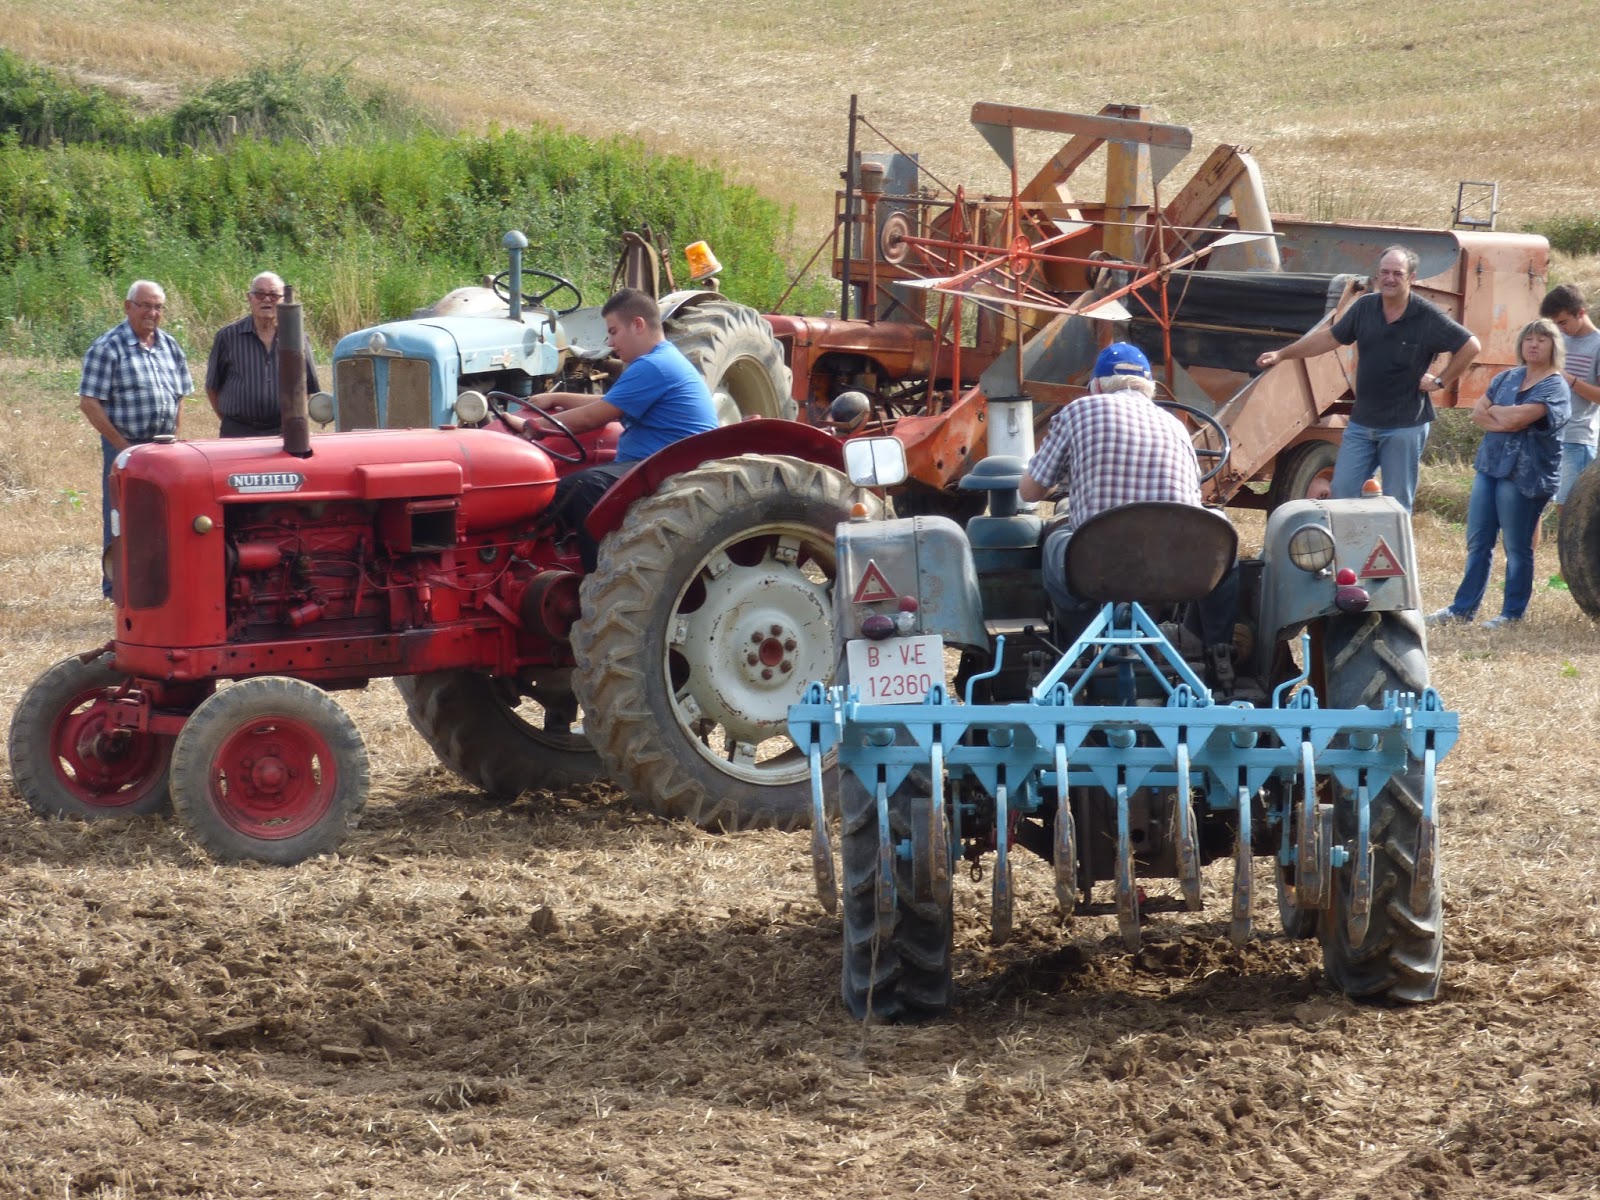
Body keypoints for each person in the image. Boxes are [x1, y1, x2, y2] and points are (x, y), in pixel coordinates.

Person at [1021, 342, 1232, 668]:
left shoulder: (1078, 411)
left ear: (1096, 385)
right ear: (1149, 388)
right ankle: (1214, 649)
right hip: (1177, 567)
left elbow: (1031, 491)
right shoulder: (1176, 425)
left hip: (1098, 564)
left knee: (1053, 545)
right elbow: (1194, 499)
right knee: (1223, 537)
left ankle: (1082, 647)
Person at [501, 287, 717, 569]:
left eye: (613, 332)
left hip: (671, 471)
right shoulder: (661, 360)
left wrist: (533, 427)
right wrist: (556, 398)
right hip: (653, 462)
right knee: (574, 479)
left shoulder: (655, 365)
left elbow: (595, 417)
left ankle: (597, 579)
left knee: (582, 486)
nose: (610, 342)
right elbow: (609, 402)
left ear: (638, 325)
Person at [1256, 245, 1481, 512]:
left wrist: (1440, 382)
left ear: (1412, 277)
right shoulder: (1365, 307)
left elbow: (1470, 346)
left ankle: (1394, 554)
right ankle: (1348, 553)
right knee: (1342, 495)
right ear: (1377, 276)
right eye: (1384, 272)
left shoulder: (1426, 316)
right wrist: (1283, 354)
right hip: (1362, 423)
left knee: (1396, 503)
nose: (1389, 279)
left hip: (1404, 425)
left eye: (1397, 273)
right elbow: (1330, 337)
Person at [1428, 319, 1570, 630]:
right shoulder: (1506, 377)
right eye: (1528, 339)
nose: (1533, 344)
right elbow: (1478, 414)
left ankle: (1511, 614)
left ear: (1553, 347)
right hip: (1490, 467)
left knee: (1517, 548)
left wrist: (1500, 415)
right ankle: (1462, 610)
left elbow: (1518, 419)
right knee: (1478, 542)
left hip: (1526, 475)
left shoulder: (1555, 386)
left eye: (1542, 340)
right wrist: (1503, 418)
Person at [79, 280, 193, 598]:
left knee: (164, 516)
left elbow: (181, 395)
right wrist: (122, 446)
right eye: (145, 305)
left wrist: (173, 437)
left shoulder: (169, 345)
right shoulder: (107, 348)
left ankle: (157, 586)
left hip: (163, 446)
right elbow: (89, 403)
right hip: (126, 445)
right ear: (128, 306)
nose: (152, 313)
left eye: (158, 307)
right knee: (122, 517)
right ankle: (119, 589)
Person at [206, 272, 320, 437]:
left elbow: (306, 387)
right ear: (249, 298)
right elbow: (212, 386)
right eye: (259, 294)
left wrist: (292, 421)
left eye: (273, 295)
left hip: (282, 431)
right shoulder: (227, 336)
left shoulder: (297, 337)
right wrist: (231, 421)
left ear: (282, 299)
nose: (266, 299)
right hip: (237, 431)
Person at [1539, 284, 1600, 526]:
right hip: (1547, 435)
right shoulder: (1558, 340)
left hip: (1577, 438)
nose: (1561, 329)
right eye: (1556, 323)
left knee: (1574, 515)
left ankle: (1574, 565)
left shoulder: (1597, 344)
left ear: (1581, 312)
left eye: (1563, 322)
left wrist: (1569, 379)